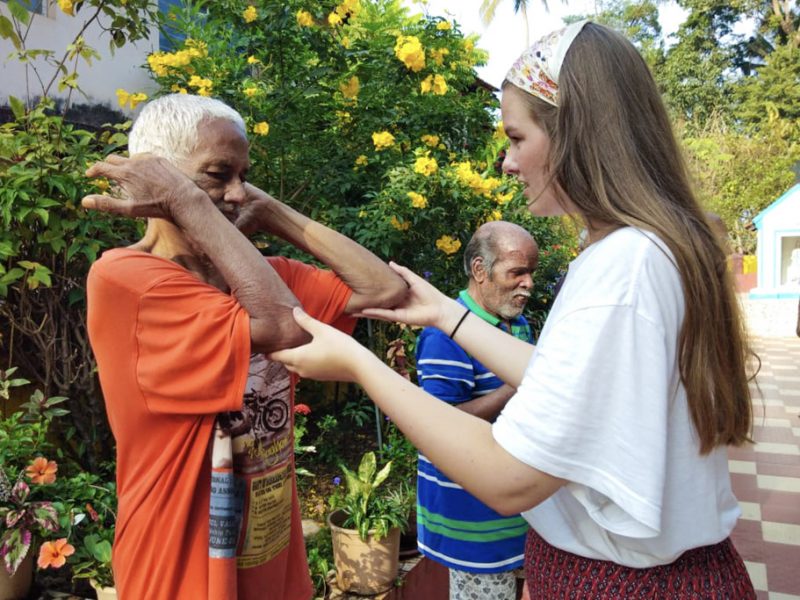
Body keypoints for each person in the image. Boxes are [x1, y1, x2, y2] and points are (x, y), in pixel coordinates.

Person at [269, 21, 757, 599]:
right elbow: (567, 386)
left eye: (517, 138)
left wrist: (357, 364)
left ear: (576, 131)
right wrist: (448, 315)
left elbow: (508, 477)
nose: (506, 162)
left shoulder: (622, 269)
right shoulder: (646, 248)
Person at [82, 94, 406, 600]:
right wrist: (187, 201)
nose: (236, 193)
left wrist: (271, 211)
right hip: (179, 568)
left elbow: (384, 291)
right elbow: (282, 325)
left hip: (270, 551)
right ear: (159, 180)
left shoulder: (265, 278)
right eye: (218, 174)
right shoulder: (128, 281)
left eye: (244, 176)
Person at [415, 221, 537, 599]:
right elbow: (436, 425)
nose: (528, 283)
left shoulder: (519, 326)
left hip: (517, 510)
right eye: (517, 272)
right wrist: (514, 388)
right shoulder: (443, 334)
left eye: (531, 273)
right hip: (472, 522)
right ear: (480, 272)